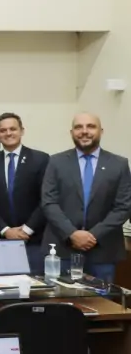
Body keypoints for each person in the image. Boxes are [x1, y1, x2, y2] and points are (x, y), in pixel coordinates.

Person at [41, 112, 131, 282]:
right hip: (62, 248)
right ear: (71, 133)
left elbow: (124, 207)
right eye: (78, 127)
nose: (84, 131)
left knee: (102, 305)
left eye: (91, 126)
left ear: (101, 131)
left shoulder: (119, 164)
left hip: (103, 251)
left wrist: (93, 235)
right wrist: (72, 233)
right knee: (61, 306)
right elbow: (48, 202)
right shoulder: (56, 162)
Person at [0, 113, 50, 274]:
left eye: (13, 129)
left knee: (34, 291)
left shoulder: (41, 159)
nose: (8, 133)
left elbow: (46, 199)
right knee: (0, 290)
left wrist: (26, 229)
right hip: (0, 239)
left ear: (22, 131)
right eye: (3, 130)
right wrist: (6, 230)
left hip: (33, 240)